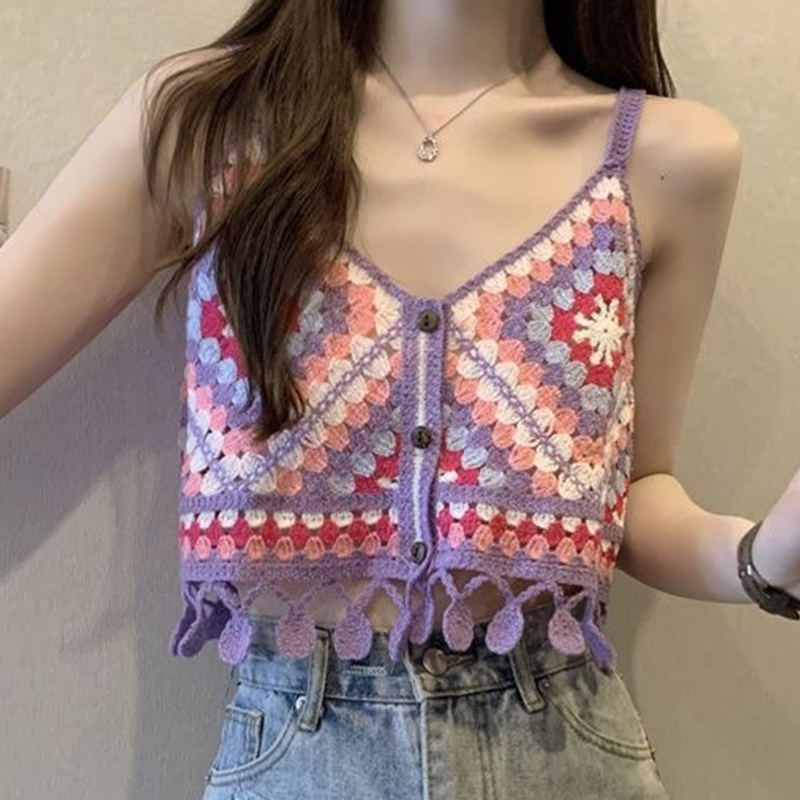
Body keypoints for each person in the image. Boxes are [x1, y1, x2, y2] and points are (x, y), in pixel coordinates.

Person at [2, 1, 800, 798]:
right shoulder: (210, 125)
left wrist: (762, 558)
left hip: (566, 747)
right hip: (299, 750)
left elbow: (636, 488)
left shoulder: (669, 159)